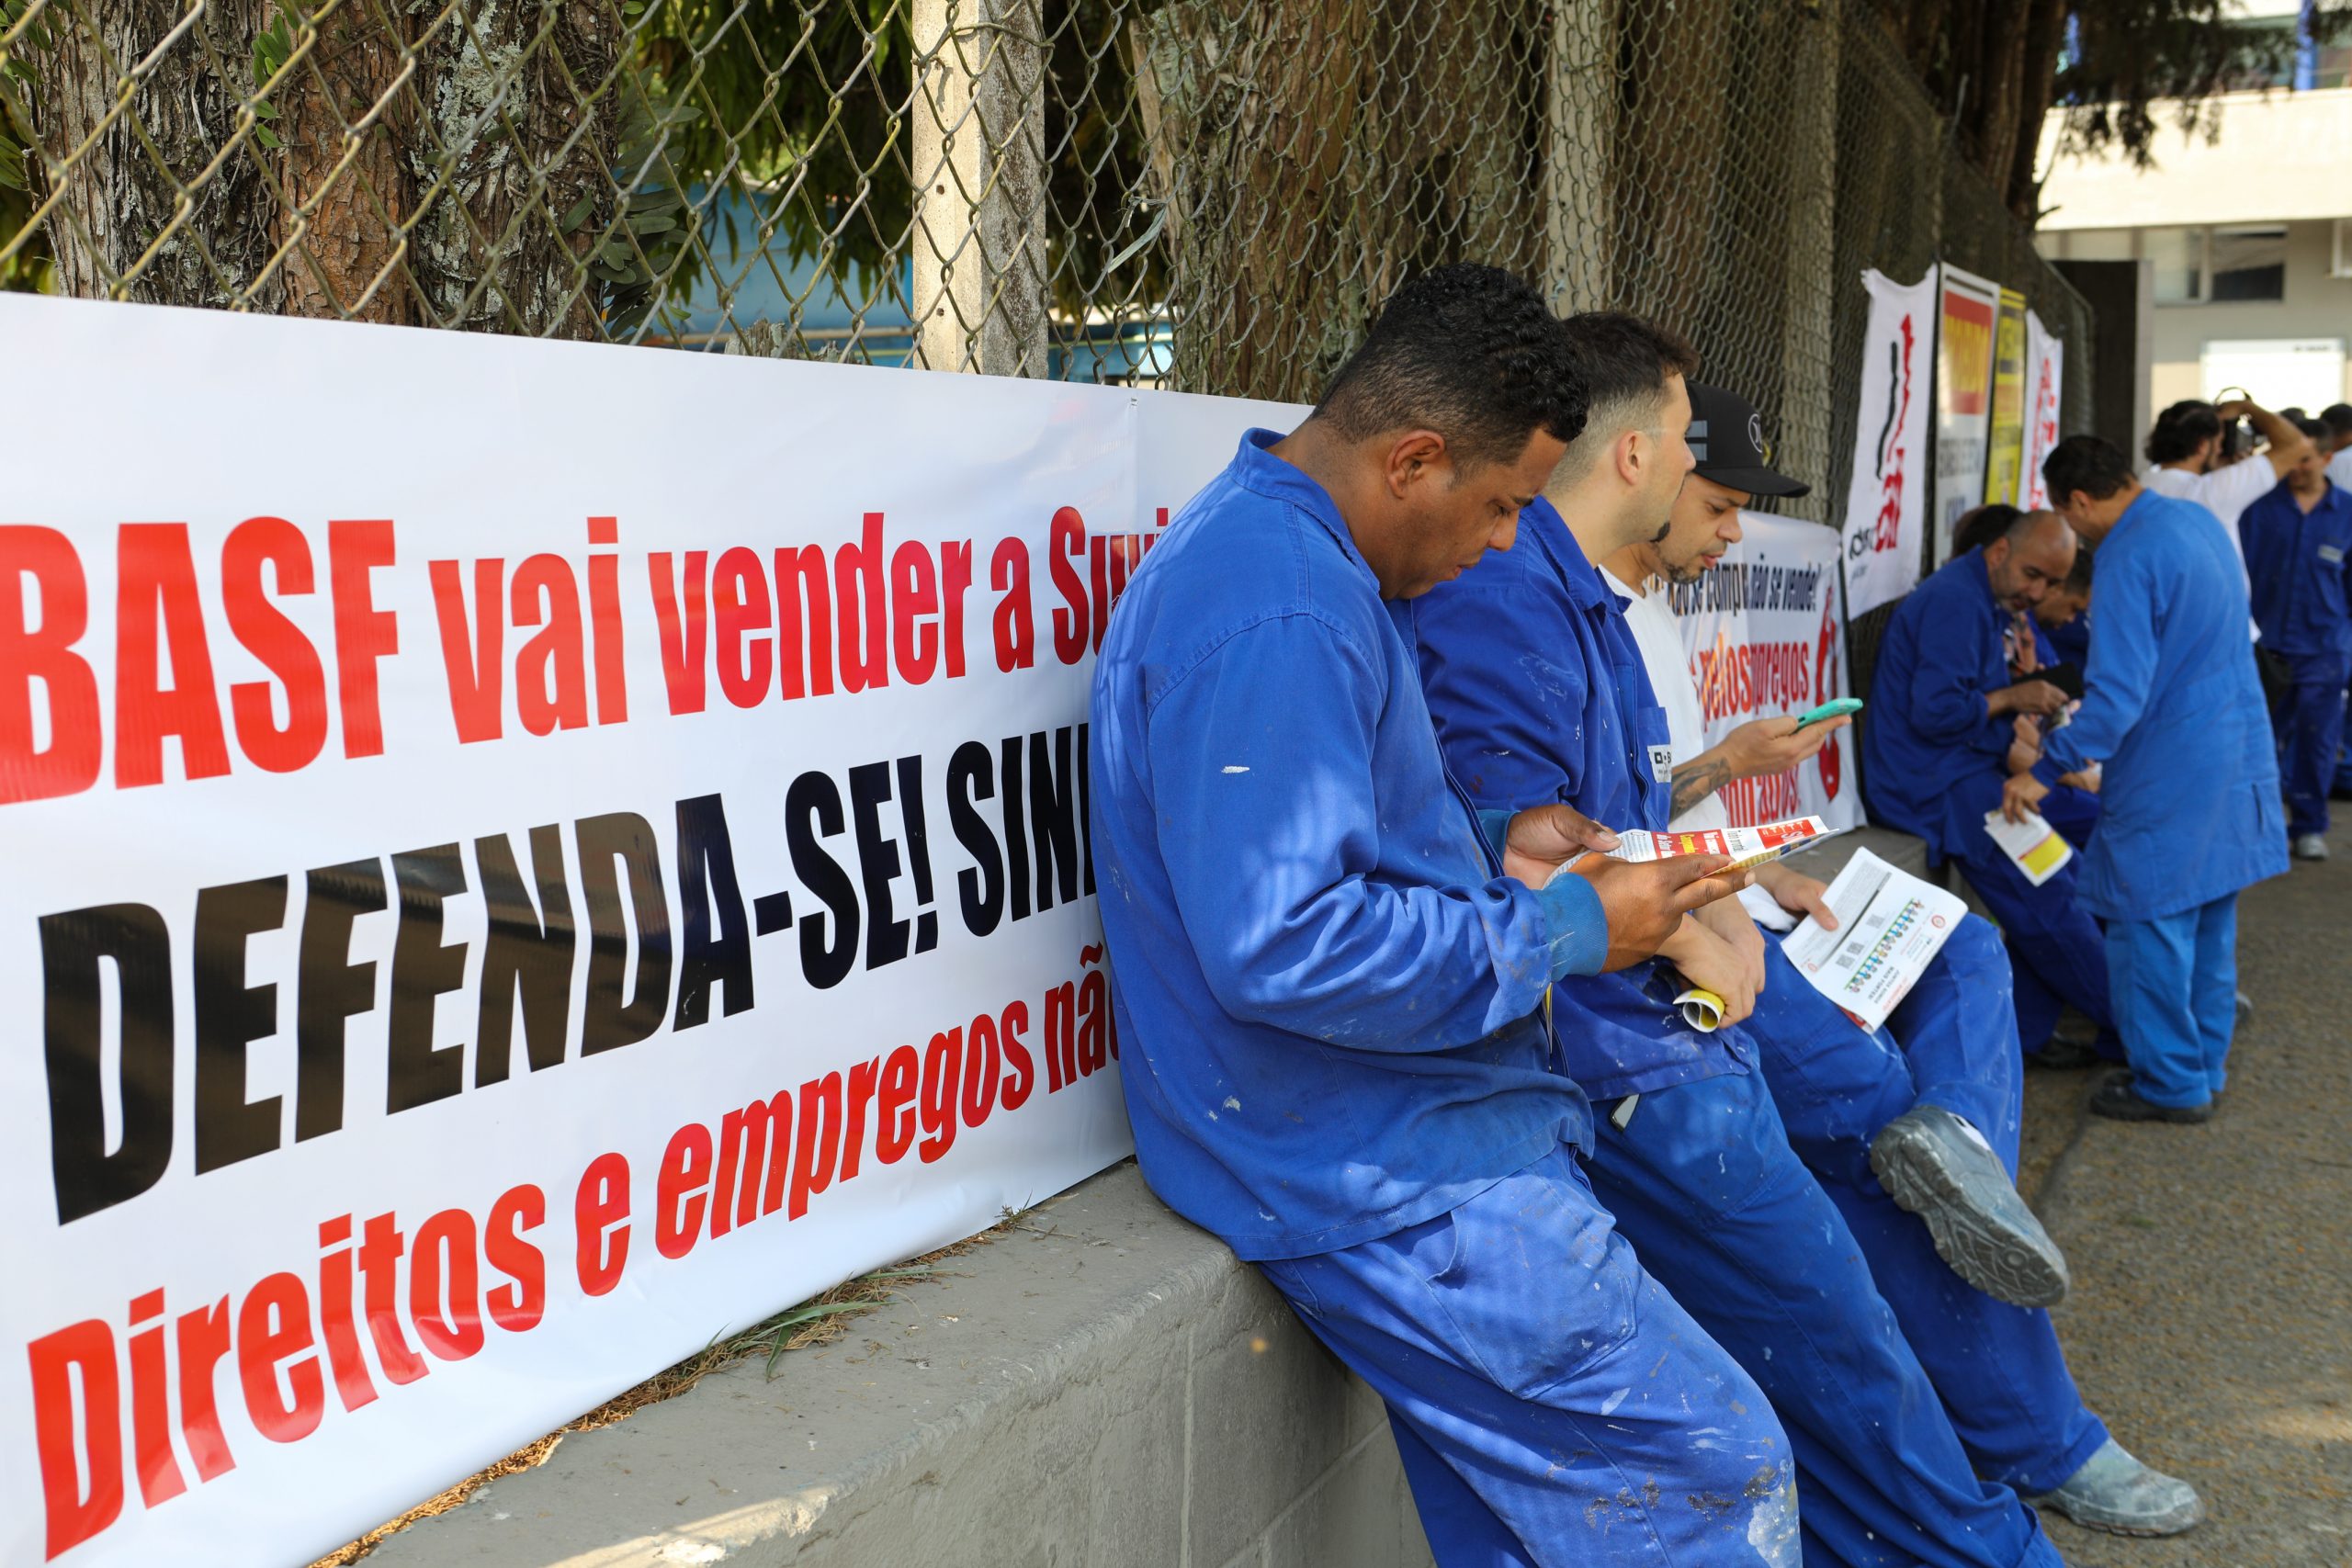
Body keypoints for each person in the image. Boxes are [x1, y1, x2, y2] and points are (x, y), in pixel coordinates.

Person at [1089, 265, 1794, 1565]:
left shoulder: (1301, 558)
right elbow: (1287, 941)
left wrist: (1489, 840)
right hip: (1382, 1165)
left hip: (1411, 1128)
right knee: (1713, 1468)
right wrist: (1579, 933)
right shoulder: (1280, 600)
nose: (1504, 543)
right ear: (1416, 458)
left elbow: (1320, 839)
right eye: (1504, 505)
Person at [1414, 315, 2069, 1568]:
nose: (1719, 509)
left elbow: (1606, 821)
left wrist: (1717, 867)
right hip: (1631, 1058)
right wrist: (1692, 903)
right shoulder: (1509, 602)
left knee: (1844, 1310)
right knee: (1840, 1334)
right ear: (1634, 457)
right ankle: (2000, 1534)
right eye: (1685, 451)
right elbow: (1534, 872)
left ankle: (2001, 1456)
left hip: (1681, 1026)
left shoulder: (1581, 603)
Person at [1599, 380, 2200, 1539]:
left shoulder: (1648, 603)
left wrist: (1749, 830)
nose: (1733, 533)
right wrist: (1723, 835)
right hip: (1687, 961)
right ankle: (2045, 1438)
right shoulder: (1555, 606)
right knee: (1886, 1136)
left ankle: (1960, 1142)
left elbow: (1638, 804)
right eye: (1718, 502)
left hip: (1745, 899)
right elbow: (1569, 844)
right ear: (1642, 466)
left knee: (1966, 944)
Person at [2026, 435, 2290, 1122]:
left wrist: (2050, 764)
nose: (2072, 532)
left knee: (2146, 929)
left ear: (2079, 501)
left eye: (2066, 516)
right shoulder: (2194, 519)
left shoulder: (2127, 555)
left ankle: (2169, 1083)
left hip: (2170, 764)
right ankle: (2203, 1064)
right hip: (2233, 748)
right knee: (2207, 918)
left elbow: (2115, 699)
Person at [1863, 509, 2120, 1065]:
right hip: (1938, 787)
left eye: (2052, 583)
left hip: (1970, 775)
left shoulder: (1987, 598)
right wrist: (2014, 699)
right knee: (2055, 902)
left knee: (2061, 882)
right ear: (1999, 552)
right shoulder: (1956, 600)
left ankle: (2030, 1038)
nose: (2040, 591)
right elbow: (1934, 713)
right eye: (2034, 575)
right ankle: (2137, 1034)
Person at [2237, 418, 2352, 860]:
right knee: (2256, 740)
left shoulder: (2346, 513)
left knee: (2318, 740)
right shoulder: (2259, 508)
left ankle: (2308, 826)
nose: (2297, 468)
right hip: (2266, 647)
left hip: (2324, 648)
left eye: (2306, 460)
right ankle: (2259, 826)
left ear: (2326, 458)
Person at [2141, 396, 2312, 617]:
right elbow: (2297, 445)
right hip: (2220, 628)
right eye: (2219, 441)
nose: (2221, 448)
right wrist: (2245, 406)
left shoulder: (2142, 485)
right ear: (2203, 445)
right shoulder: (2212, 492)